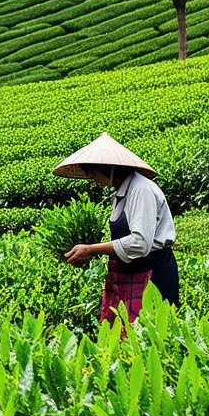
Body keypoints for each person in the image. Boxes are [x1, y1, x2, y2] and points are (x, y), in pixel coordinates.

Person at [53, 132, 179, 324]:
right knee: (124, 338)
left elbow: (140, 242)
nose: (93, 178)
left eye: (93, 173)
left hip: (152, 275)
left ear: (109, 168)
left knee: (150, 335)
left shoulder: (140, 189)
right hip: (130, 273)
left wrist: (91, 249)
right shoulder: (121, 191)